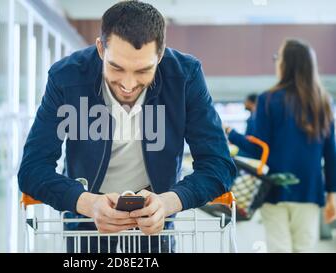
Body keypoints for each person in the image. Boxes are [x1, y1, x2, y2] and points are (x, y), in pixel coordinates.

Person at [18, 1, 236, 253]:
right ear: (101, 49)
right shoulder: (67, 78)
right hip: (87, 220)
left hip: (155, 218)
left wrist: (168, 203)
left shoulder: (185, 76)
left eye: (143, 70)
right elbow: (32, 169)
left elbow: (218, 166)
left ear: (160, 55)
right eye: (116, 67)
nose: (129, 84)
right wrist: (86, 203)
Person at [225, 39, 336, 252]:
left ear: (286, 64)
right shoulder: (322, 102)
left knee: (279, 248)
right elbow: (331, 153)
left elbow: (257, 149)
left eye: (278, 58)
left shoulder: (269, 99)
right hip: (310, 190)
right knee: (304, 248)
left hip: (274, 188)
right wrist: (333, 194)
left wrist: (231, 133)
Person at [224, 93, 258, 158]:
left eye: (246, 101)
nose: (244, 103)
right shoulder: (252, 118)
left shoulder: (255, 119)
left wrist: (231, 132)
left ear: (250, 102)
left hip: (251, 154)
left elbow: (250, 143)